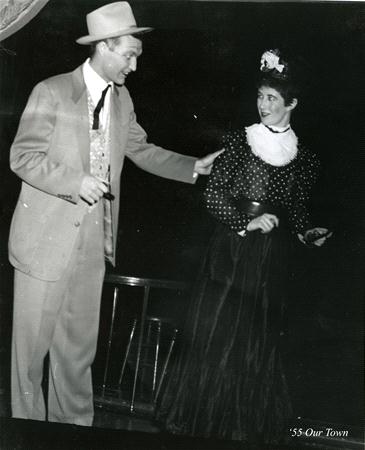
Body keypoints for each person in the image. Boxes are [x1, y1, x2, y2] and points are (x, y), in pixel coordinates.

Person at [8, 2, 222, 426]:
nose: (134, 66)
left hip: (92, 244)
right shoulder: (51, 91)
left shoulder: (122, 101)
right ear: (104, 46)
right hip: (43, 243)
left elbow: (139, 149)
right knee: (29, 357)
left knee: (77, 355)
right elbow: (23, 156)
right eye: (129, 54)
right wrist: (74, 182)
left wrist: (190, 167)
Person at [156, 49, 331, 445]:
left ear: (292, 104)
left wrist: (306, 232)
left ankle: (241, 428)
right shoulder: (239, 141)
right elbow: (213, 195)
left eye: (272, 98)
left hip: (270, 259)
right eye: (260, 96)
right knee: (219, 335)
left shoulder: (305, 158)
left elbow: (296, 209)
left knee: (257, 342)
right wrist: (244, 222)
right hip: (231, 253)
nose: (264, 104)